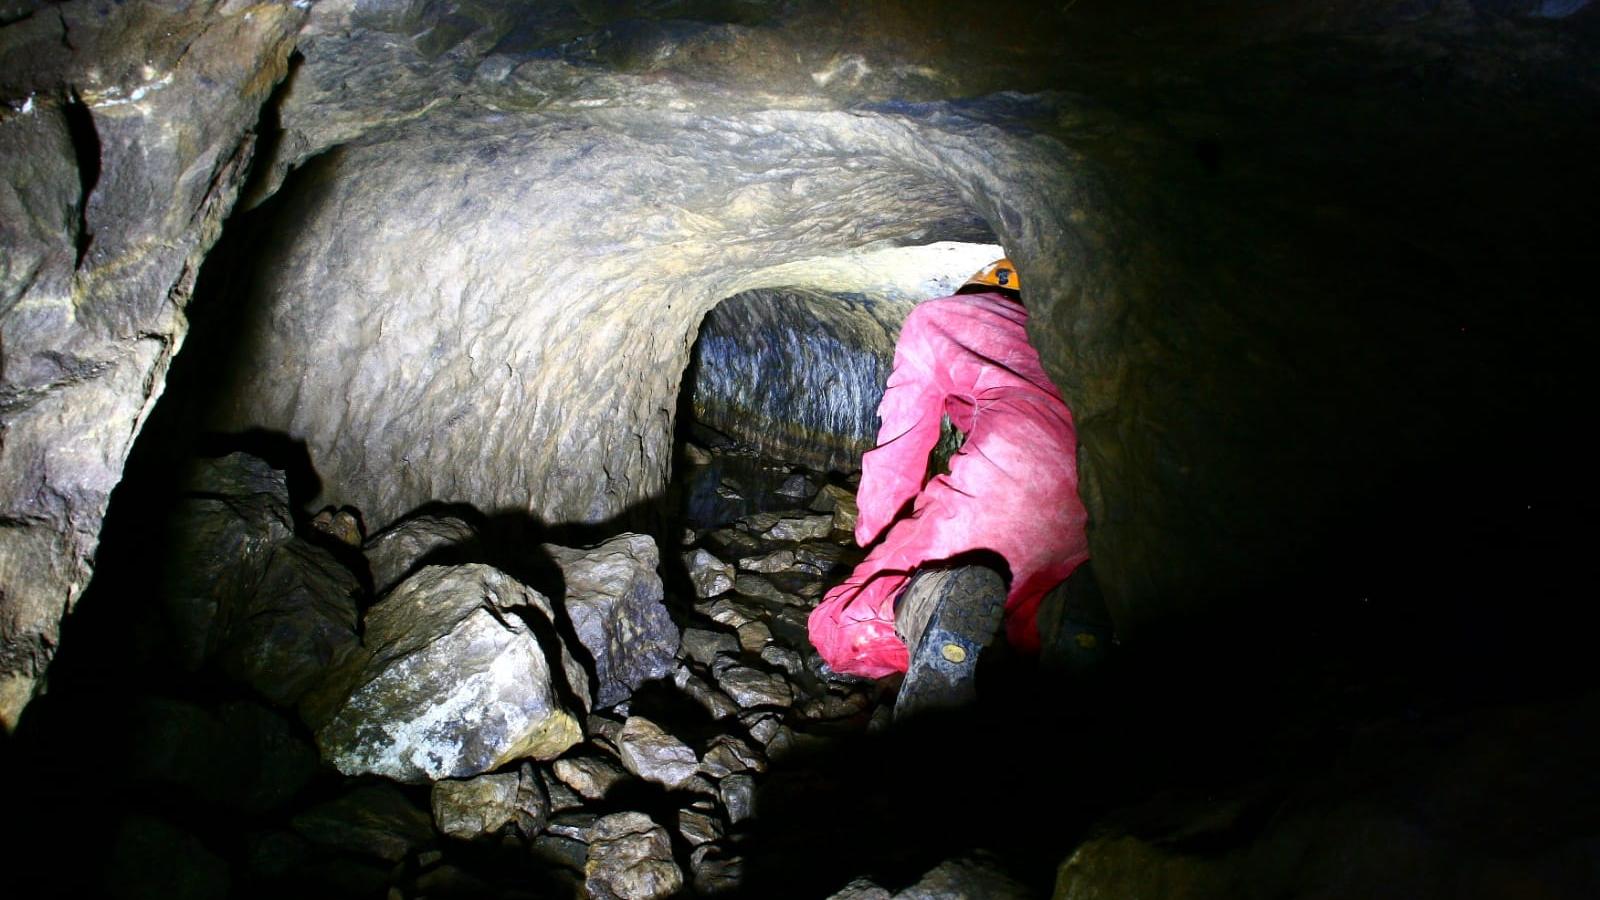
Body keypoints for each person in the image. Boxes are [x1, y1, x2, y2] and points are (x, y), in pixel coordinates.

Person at [807, 259, 1091, 700]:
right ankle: (1063, 624)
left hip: (1012, 475)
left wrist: (876, 543)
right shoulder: (1067, 340)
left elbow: (900, 448)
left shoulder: (938, 319)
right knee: (1026, 601)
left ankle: (918, 604)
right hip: (1093, 500)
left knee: (838, 627)